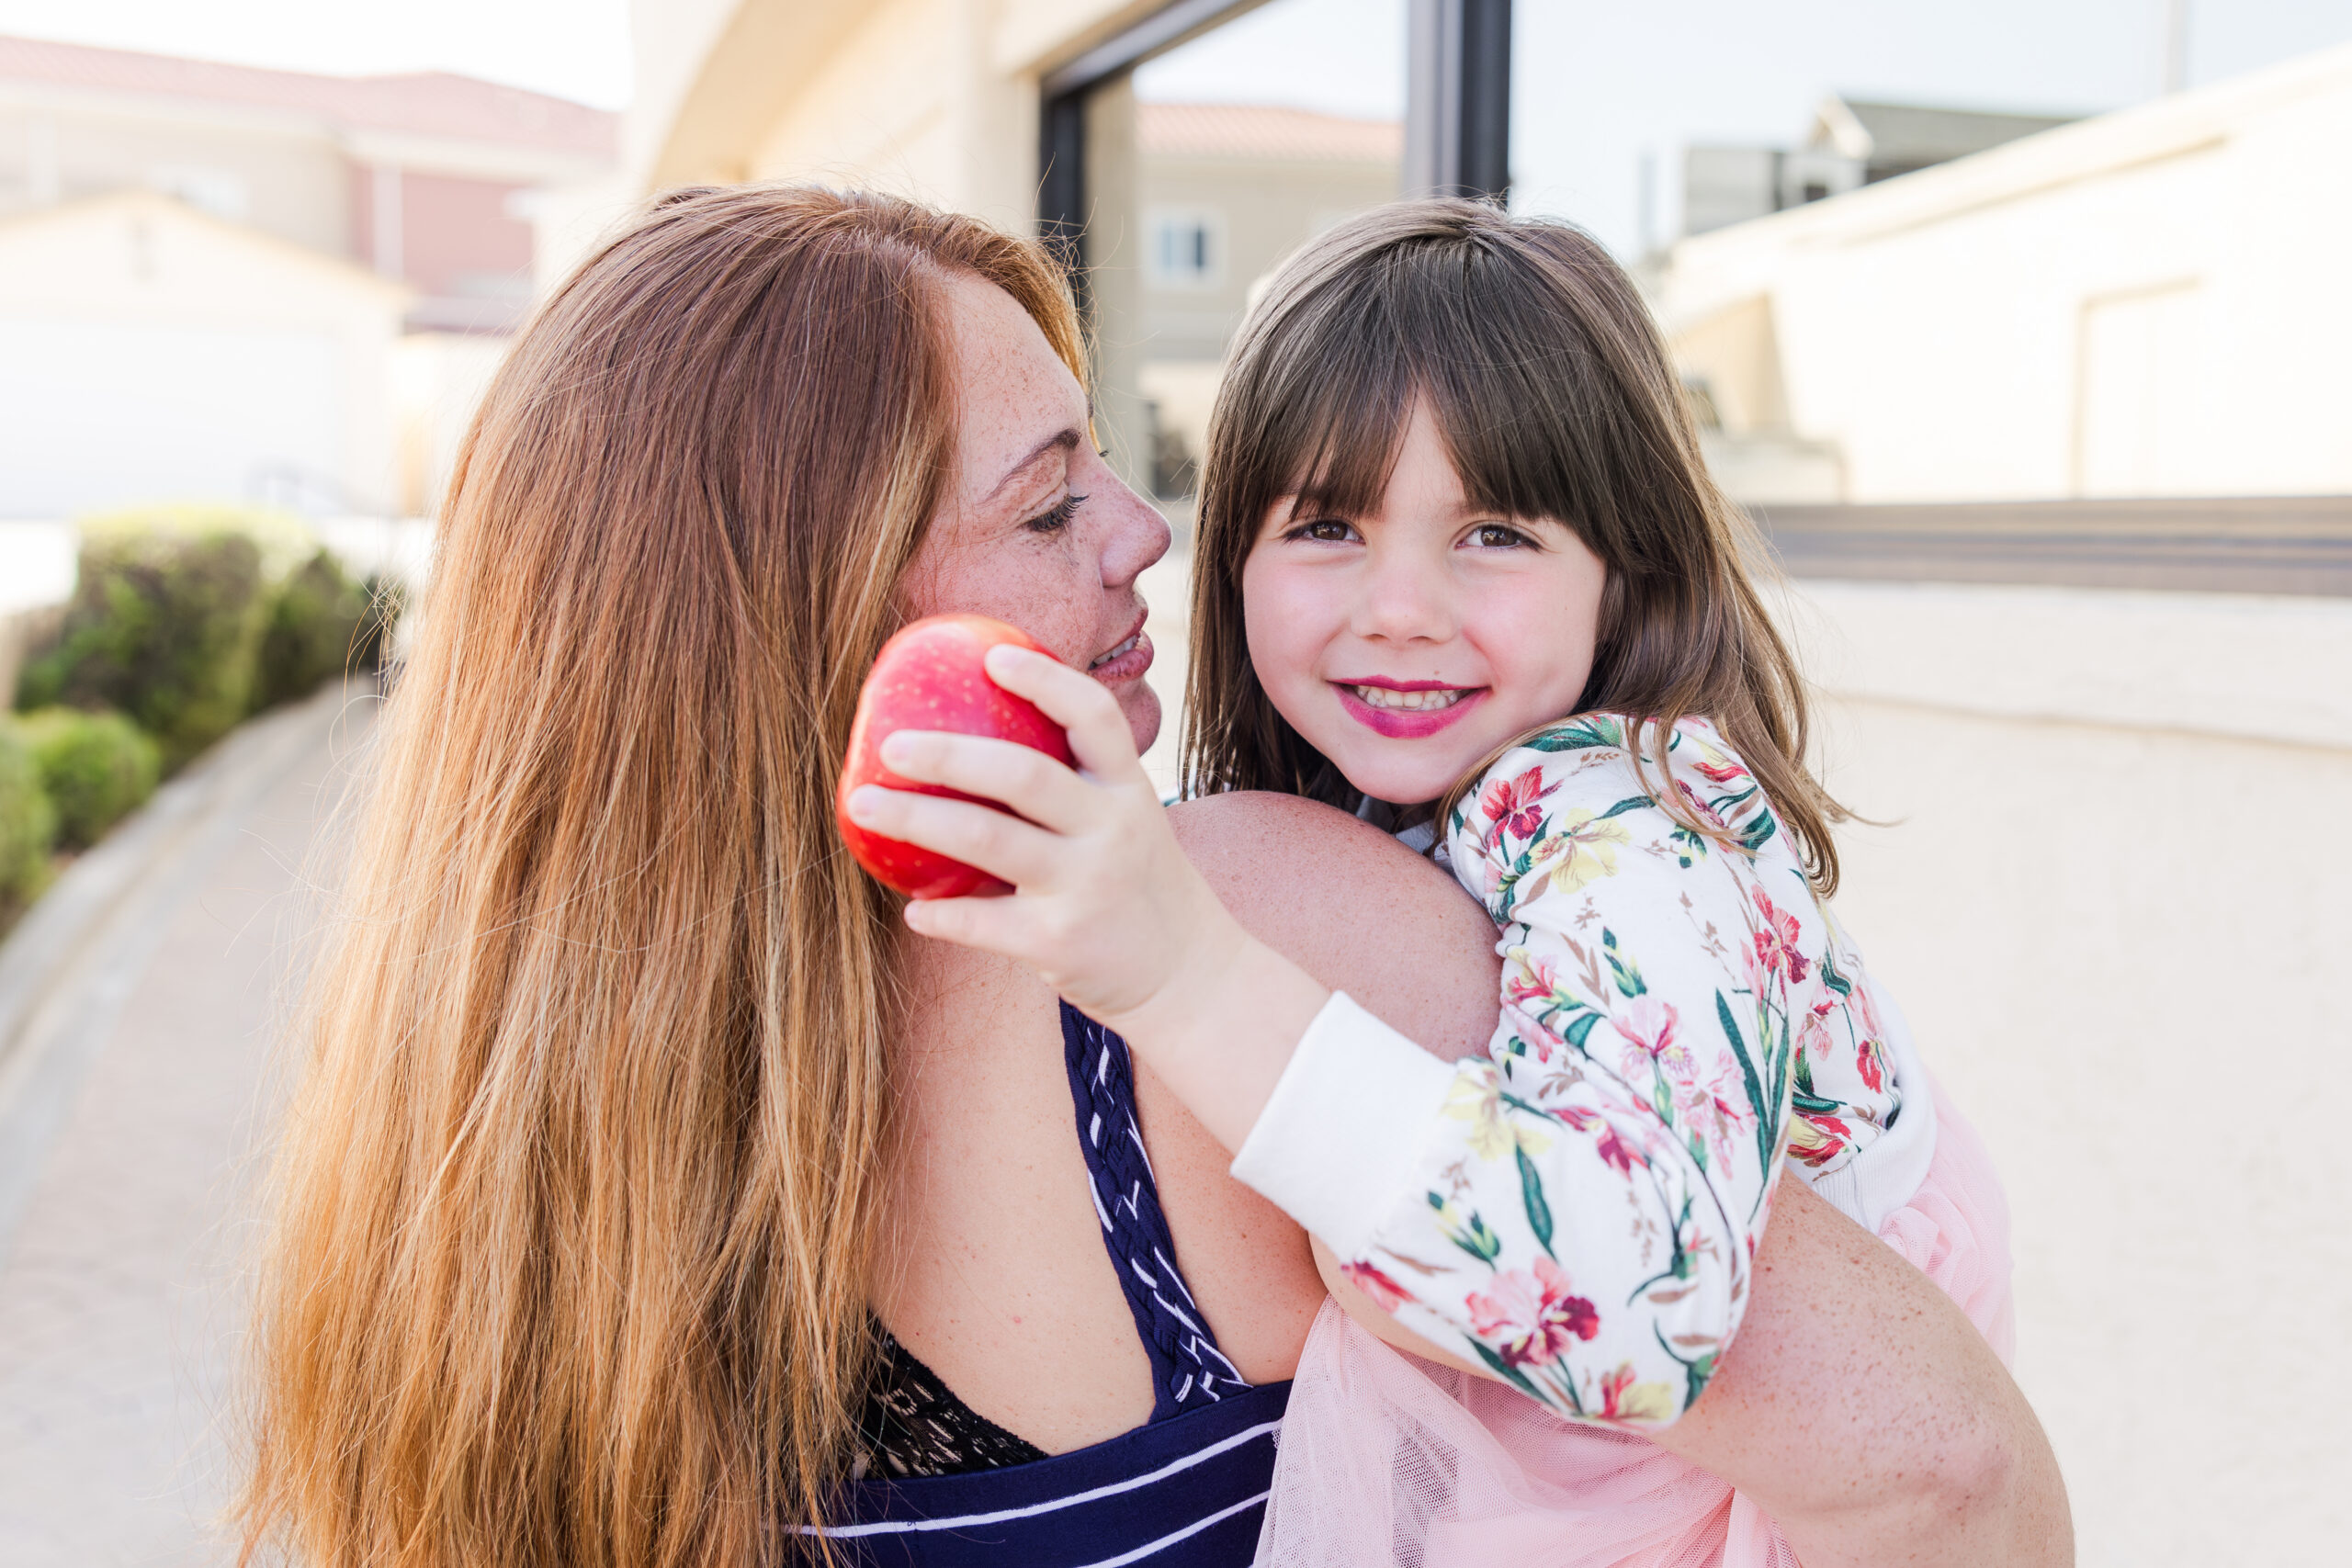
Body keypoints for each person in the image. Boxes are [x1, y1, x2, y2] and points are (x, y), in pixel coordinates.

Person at [240, 185, 2062, 1568]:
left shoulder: (1257, 923)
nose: (1140, 537)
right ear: (783, 618)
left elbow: (1932, 1460)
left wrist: (1184, 974)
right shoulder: (516, 1136)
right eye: (1049, 502)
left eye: (1110, 466)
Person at [844, 199, 2063, 1563]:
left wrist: (1186, 976)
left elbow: (1630, 1301)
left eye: (1492, 532)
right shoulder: (1396, 807)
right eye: (1326, 527)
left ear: (1629, 564)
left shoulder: (1636, 835)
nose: (1402, 605)